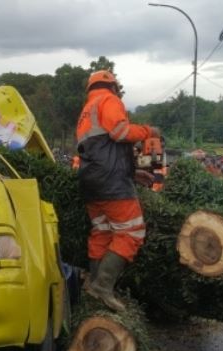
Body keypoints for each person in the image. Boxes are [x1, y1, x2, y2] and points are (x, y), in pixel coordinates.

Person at [75, 69, 160, 312]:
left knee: (102, 231)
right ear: (112, 86)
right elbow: (120, 133)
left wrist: (132, 173)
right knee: (132, 232)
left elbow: (101, 150)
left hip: (91, 182)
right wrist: (147, 131)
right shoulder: (109, 100)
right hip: (111, 183)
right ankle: (103, 287)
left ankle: (92, 285)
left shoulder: (86, 111)